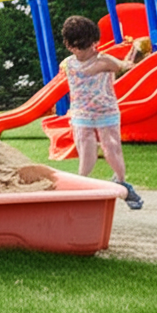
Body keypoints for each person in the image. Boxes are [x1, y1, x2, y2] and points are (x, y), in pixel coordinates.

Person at [60, 15, 143, 209]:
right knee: (86, 149)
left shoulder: (104, 60)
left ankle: (121, 181)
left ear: (95, 43)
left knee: (111, 146)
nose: (86, 51)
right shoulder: (69, 63)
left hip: (106, 112)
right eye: (78, 47)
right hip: (81, 114)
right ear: (70, 46)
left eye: (89, 46)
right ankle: (81, 183)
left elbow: (123, 66)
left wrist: (132, 58)